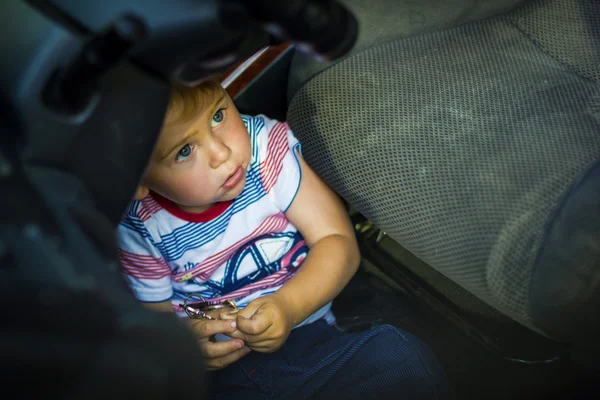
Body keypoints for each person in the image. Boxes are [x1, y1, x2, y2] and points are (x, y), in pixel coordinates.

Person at [117, 79, 452, 399]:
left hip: (310, 335)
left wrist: (288, 307)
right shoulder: (139, 226)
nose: (221, 152)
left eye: (218, 116)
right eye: (185, 151)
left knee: (400, 358)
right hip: (218, 374)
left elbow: (337, 240)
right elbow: (152, 320)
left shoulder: (266, 151)